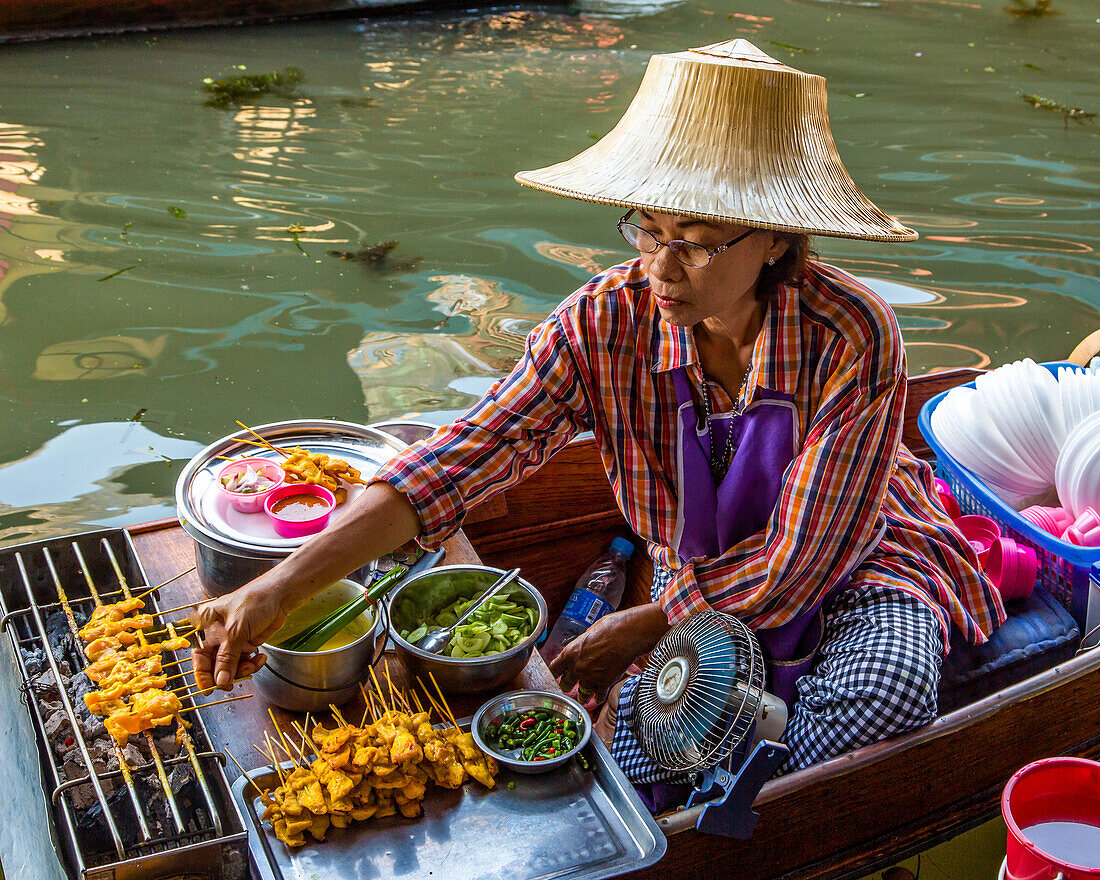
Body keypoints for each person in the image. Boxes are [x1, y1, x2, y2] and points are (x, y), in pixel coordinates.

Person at [192, 39, 1004, 784]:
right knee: (635, 763)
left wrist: (652, 623)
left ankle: (762, 785)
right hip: (698, 579)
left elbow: (801, 561)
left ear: (776, 241)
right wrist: (281, 587)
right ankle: (747, 774)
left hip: (860, 563)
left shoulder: (853, 334)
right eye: (646, 230)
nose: (659, 266)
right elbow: (472, 450)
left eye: (695, 240)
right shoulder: (603, 321)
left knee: (889, 691)